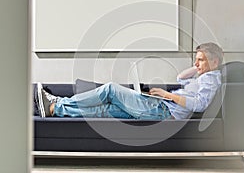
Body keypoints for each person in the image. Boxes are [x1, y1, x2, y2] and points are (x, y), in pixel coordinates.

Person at [37, 42, 223, 120]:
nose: (196, 63)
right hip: (161, 108)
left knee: (110, 89)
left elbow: (199, 105)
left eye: (201, 59)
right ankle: (54, 109)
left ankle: (58, 101)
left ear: (215, 62)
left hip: (163, 111)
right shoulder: (204, 76)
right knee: (105, 110)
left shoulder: (211, 81)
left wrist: (167, 95)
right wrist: (199, 65)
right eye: (196, 59)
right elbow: (180, 77)